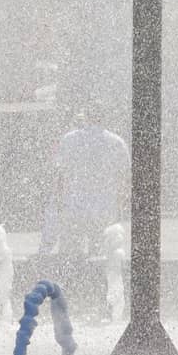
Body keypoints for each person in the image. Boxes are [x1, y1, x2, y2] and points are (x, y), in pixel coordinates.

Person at [39, 109, 130, 261]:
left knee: (70, 255)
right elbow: (124, 177)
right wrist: (120, 204)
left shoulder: (69, 139)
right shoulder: (117, 142)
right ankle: (99, 282)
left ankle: (71, 279)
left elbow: (61, 174)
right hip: (104, 206)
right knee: (101, 255)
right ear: (104, 118)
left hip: (75, 205)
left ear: (86, 118)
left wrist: (59, 201)